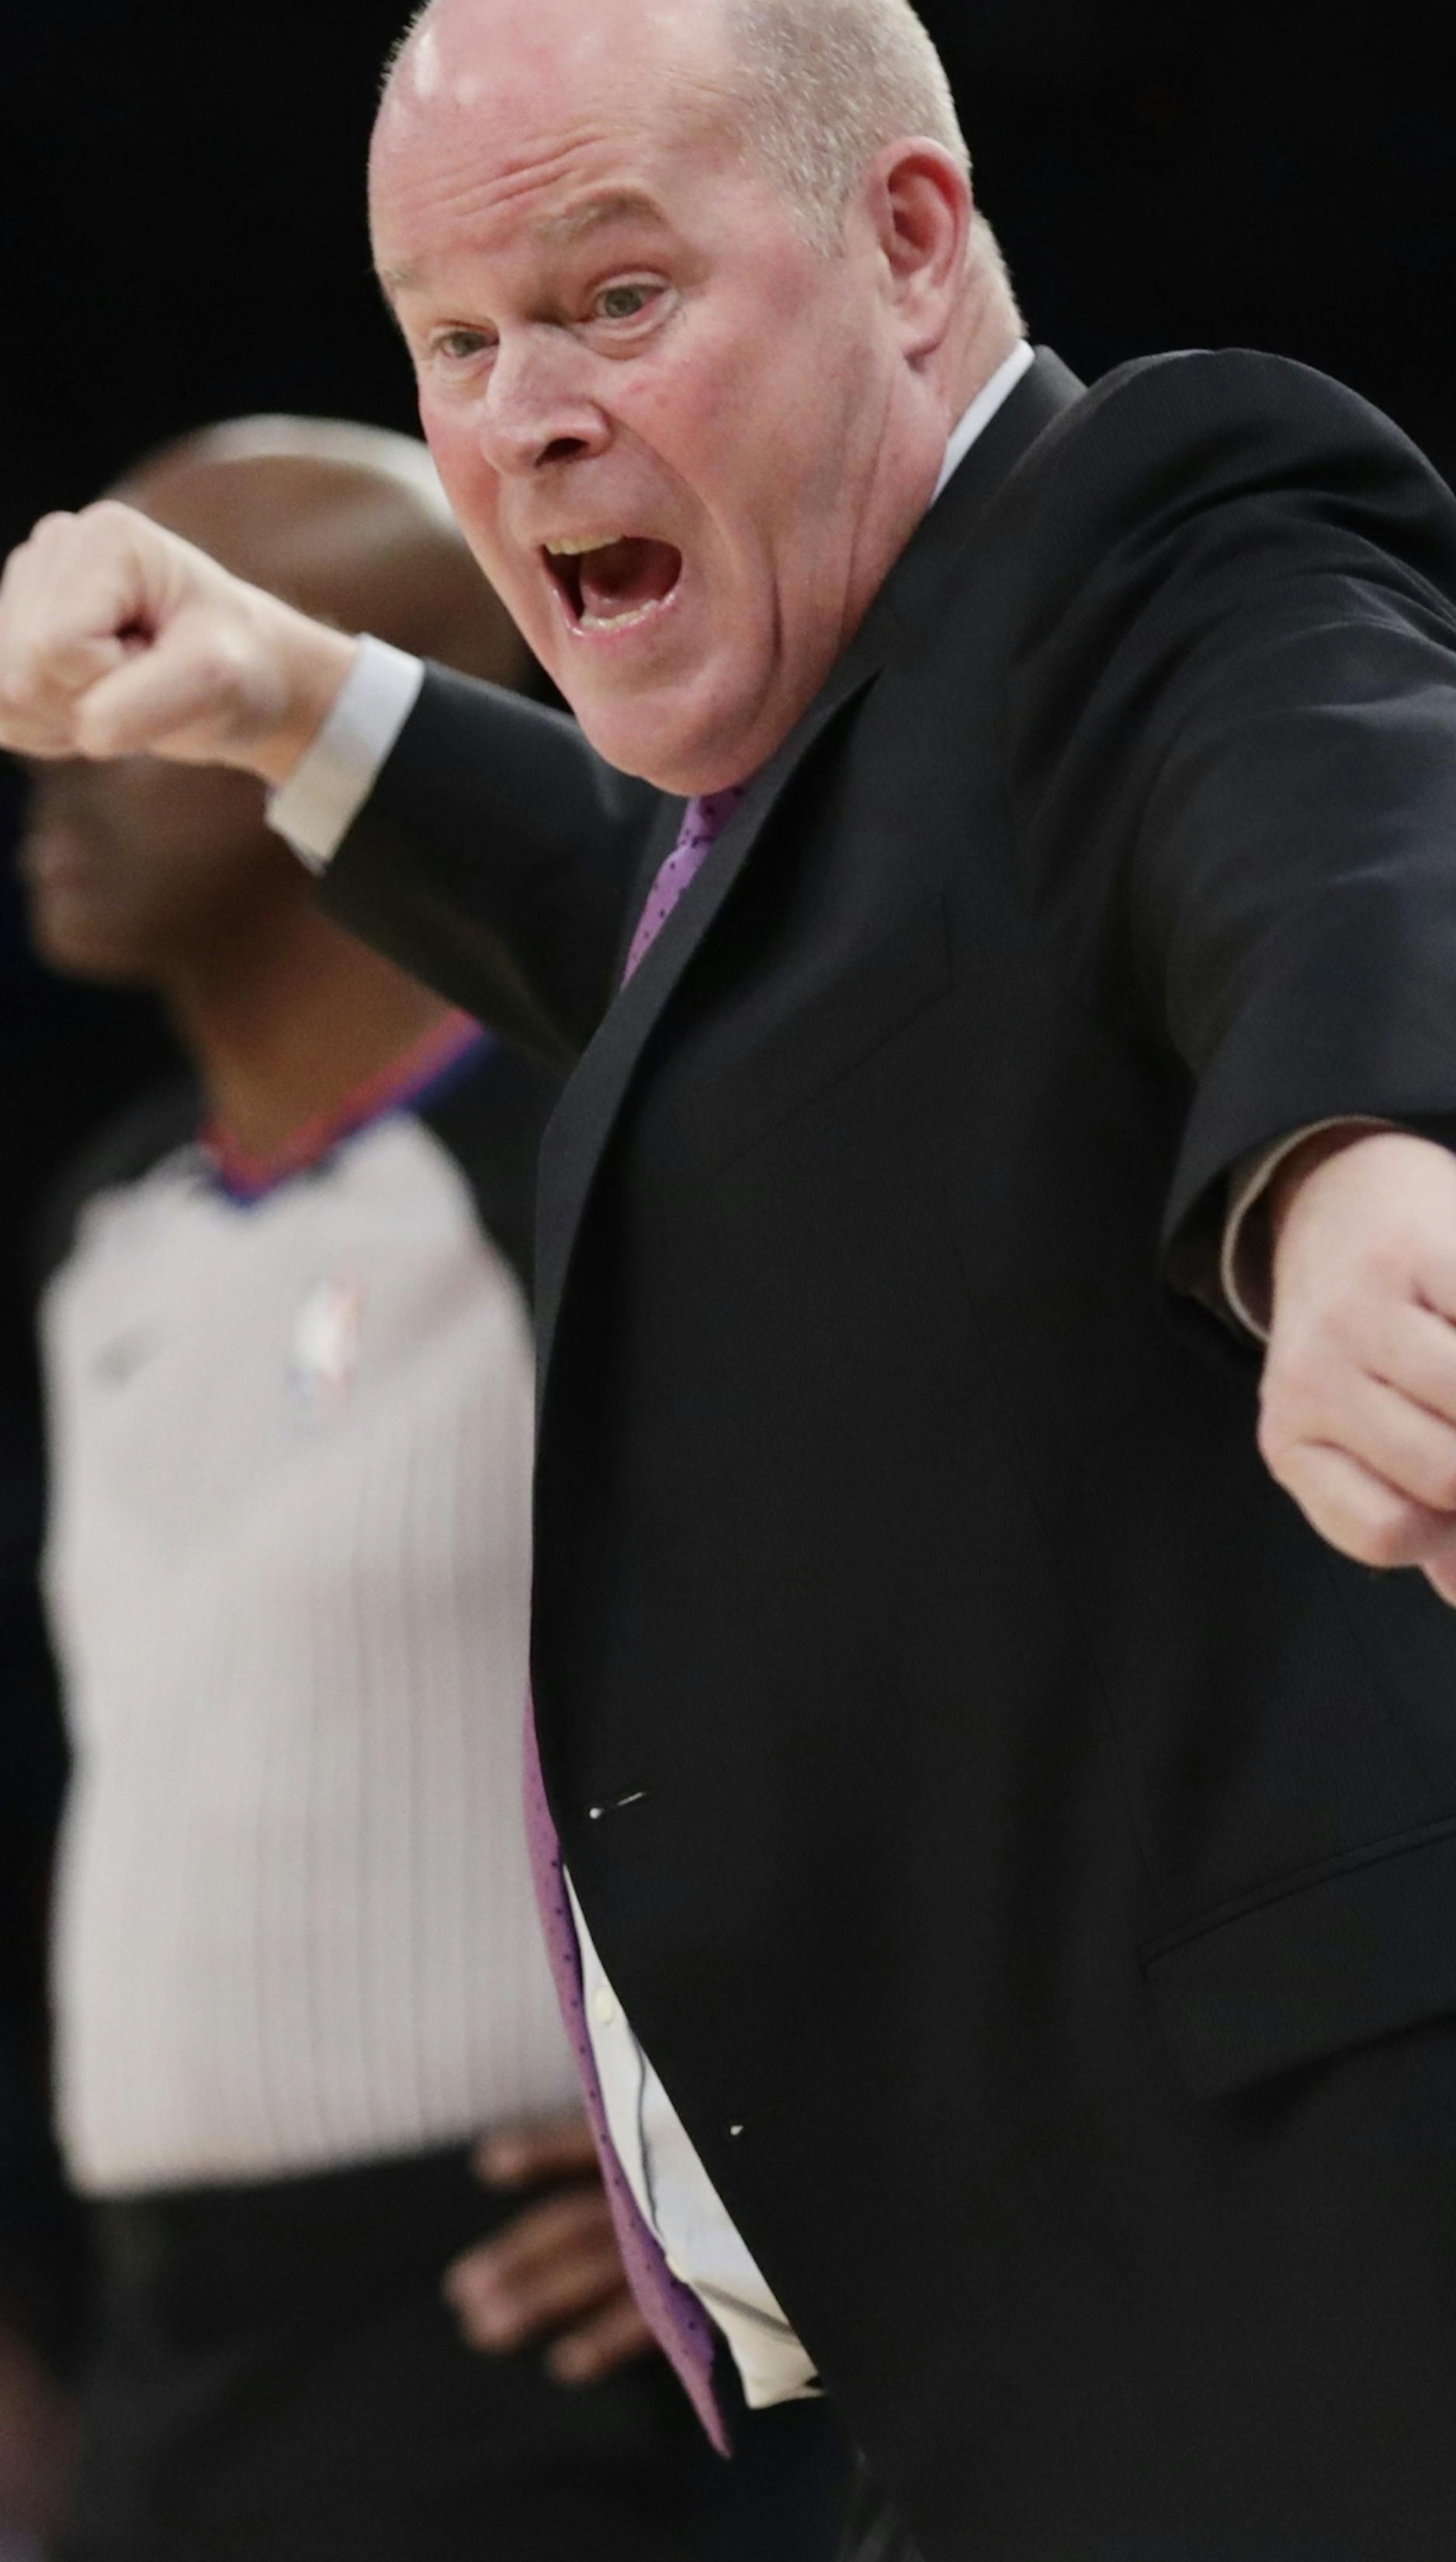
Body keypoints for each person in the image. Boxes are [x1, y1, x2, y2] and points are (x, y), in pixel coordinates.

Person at [2, 0, 1456, 2561]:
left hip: (1350, 2276)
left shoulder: (1173, 517)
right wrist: (288, 689)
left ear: (908, 242)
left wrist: (1351, 1176)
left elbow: (1349, 806)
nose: (528, 417)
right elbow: (706, 947)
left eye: (616, 298)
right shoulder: (844, 799)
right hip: (1019, 2335)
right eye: (456, 342)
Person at [16, 418, 844, 2562]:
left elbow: (909, 1666)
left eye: (145, 642)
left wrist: (803, 2154)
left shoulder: (606, 1165)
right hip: (164, 2350)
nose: (52, 739)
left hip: (516, 2348)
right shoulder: (106, 1230)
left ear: (385, 707)